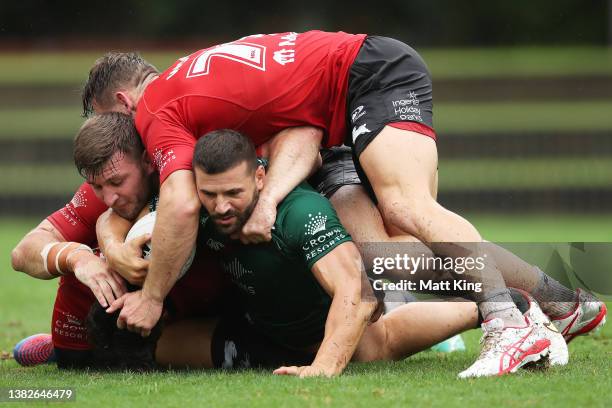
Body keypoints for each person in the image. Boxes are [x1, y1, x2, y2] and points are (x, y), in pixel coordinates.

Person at [81, 32, 605, 377]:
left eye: (113, 123)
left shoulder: (157, 109)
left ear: (126, 103)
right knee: (384, 257)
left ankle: (506, 324)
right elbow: (302, 129)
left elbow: (177, 204)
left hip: (370, 74)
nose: (119, 136)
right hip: (344, 109)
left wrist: (151, 297)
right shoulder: (196, 90)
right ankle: (563, 302)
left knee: (406, 207)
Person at [103, 128, 564, 377]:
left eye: (233, 194)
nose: (221, 207)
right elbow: (122, 216)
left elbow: (356, 292)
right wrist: (111, 247)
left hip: (328, 326)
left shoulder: (300, 213)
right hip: (259, 331)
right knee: (145, 350)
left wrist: (323, 369)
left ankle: (511, 305)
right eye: (209, 195)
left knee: (377, 312)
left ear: (261, 180)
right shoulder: (194, 209)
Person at [10, 113, 227, 368]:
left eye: (117, 181)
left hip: (198, 313)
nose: (109, 197)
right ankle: (59, 347)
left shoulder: (188, 184)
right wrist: (78, 258)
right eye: (97, 185)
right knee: (75, 360)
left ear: (147, 161)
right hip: (90, 339)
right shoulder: (96, 199)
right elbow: (22, 253)